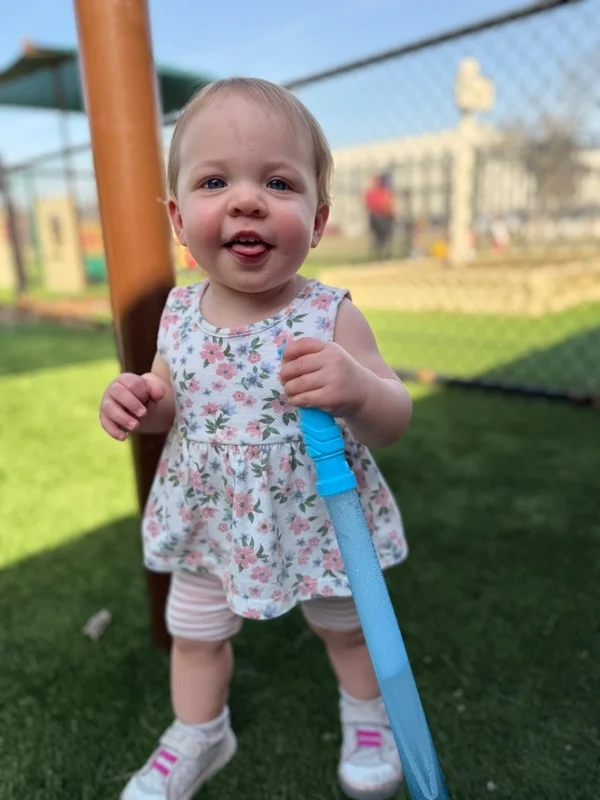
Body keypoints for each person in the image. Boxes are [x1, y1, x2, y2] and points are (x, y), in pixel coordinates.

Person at [99, 77, 413, 800]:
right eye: (216, 182)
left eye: (278, 182)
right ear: (180, 219)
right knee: (195, 633)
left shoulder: (329, 315)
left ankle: (367, 714)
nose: (247, 201)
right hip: (210, 516)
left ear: (319, 219)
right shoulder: (178, 315)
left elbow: (393, 418)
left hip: (321, 518)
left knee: (348, 628)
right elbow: (171, 405)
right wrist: (140, 402)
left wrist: (359, 390)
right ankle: (200, 732)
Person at [364, 173, 396, 260]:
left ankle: (383, 254)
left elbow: (390, 205)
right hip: (377, 217)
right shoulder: (374, 192)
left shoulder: (384, 192)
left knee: (384, 236)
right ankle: (380, 254)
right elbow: (372, 205)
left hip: (384, 217)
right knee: (380, 237)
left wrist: (390, 211)